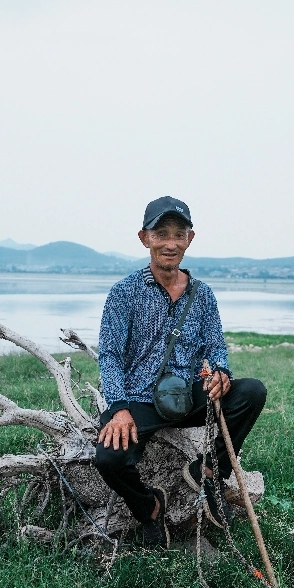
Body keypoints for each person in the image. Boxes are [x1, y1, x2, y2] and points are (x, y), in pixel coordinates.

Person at [95, 196, 267, 548]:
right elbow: (109, 356)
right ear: (145, 238)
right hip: (140, 400)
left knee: (252, 392)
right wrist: (118, 408)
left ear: (190, 238)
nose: (170, 243)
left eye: (178, 234)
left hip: (189, 394)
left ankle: (208, 471)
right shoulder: (124, 293)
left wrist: (220, 372)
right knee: (109, 458)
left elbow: (215, 346)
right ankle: (150, 509)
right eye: (161, 234)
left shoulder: (203, 296)